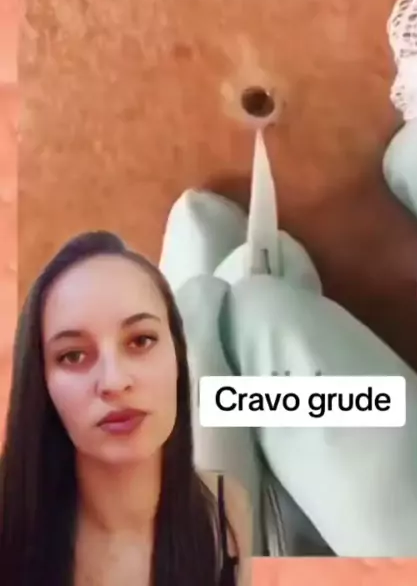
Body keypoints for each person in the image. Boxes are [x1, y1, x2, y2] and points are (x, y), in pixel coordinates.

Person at [0, 231, 252, 586]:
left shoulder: (228, 511)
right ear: (40, 383)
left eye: (141, 340)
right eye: (73, 355)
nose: (114, 382)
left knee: (214, 269)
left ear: (178, 354)